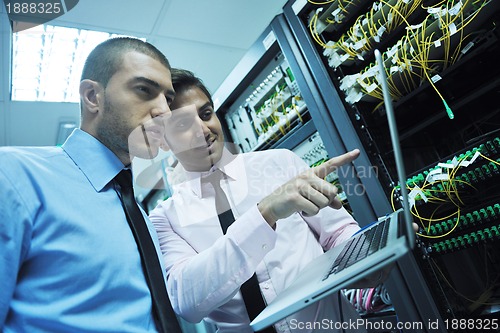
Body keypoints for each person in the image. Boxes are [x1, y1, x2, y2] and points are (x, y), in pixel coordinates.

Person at [149, 69, 380, 332]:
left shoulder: (280, 162)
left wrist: (366, 260)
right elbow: (188, 303)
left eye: (206, 114)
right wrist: (264, 214)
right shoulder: (164, 218)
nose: (203, 130)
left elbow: (337, 232)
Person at [0, 37, 181, 332]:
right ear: (92, 96)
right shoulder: (13, 176)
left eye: (168, 100)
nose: (165, 112)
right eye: (144, 90)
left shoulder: (140, 218)